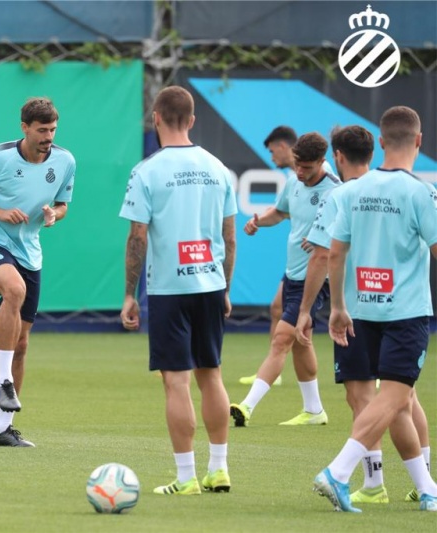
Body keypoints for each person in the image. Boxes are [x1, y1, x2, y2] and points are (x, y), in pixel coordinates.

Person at [297, 125, 432, 506]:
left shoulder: (346, 193)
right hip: (403, 310)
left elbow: (330, 254)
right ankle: (350, 475)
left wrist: (333, 307)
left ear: (382, 142)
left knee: (382, 399)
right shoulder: (420, 192)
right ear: (418, 141)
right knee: (398, 397)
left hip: (358, 311)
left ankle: (414, 487)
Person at [120, 86, 236, 496]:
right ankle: (219, 469)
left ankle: (186, 477)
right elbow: (229, 237)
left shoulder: (146, 171)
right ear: (192, 120)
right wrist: (225, 288)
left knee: (176, 382)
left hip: (170, 288)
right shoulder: (218, 168)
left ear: (155, 119)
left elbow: (138, 237)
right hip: (210, 283)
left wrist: (130, 294)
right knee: (212, 375)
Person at [0, 97, 75, 447]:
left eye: (53, 130)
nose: (48, 137)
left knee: (22, 344)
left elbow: (63, 205)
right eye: (42, 130)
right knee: (14, 289)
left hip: (30, 253)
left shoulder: (65, 161)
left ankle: (3, 430)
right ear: (24, 127)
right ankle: (3, 380)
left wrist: (54, 215)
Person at [230, 132, 339, 427]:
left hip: (315, 278)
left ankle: (246, 407)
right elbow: (280, 213)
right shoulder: (293, 181)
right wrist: (258, 221)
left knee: (281, 339)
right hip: (292, 273)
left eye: (307, 167)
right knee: (301, 342)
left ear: (322, 161)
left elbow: (346, 233)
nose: (300, 172)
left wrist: (323, 239)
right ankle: (314, 410)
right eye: (297, 165)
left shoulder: (335, 190)